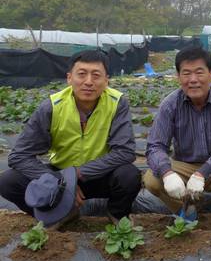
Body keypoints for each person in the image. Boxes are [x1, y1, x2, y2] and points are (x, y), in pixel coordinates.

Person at [0, 50, 141, 228]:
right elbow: (19, 156)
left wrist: (77, 175)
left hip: (100, 174)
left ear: (106, 81)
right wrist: (60, 182)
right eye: (81, 74)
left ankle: (116, 213)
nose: (88, 82)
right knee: (9, 182)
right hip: (59, 173)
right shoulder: (51, 107)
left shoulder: (117, 103)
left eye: (96, 75)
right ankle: (59, 212)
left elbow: (125, 152)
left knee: (129, 175)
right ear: (69, 78)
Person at [144, 47, 211, 227]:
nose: (193, 80)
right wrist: (167, 173)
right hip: (186, 166)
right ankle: (186, 209)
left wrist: (202, 173)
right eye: (186, 73)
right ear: (178, 77)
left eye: (199, 72)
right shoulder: (170, 104)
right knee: (152, 178)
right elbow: (155, 146)